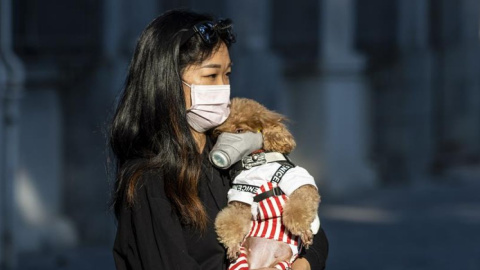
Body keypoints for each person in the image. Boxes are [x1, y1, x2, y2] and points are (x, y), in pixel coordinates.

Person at [109, 9, 328, 270]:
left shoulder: (238, 153)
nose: (223, 88)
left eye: (227, 75)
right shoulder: (149, 180)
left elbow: (314, 233)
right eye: (211, 76)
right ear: (166, 82)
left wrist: (302, 265)